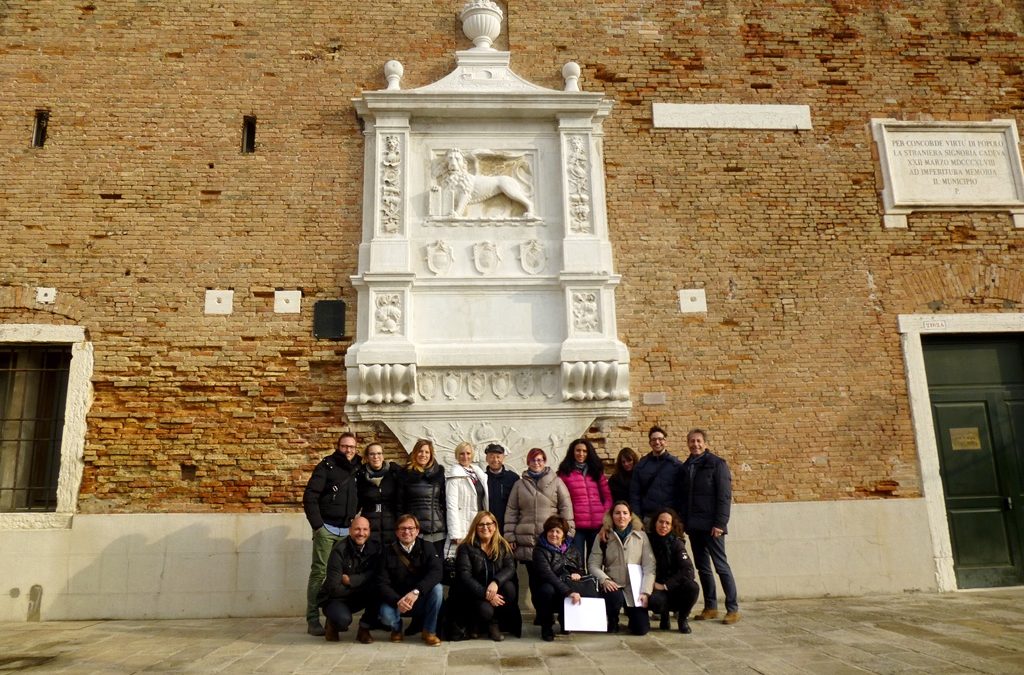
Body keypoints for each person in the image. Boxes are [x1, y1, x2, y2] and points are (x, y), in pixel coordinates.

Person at [678, 427, 740, 624]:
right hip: (694, 526)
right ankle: (710, 606)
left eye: (698, 441)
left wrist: (720, 523)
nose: (695, 444)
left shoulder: (717, 464)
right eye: (692, 441)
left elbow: (724, 496)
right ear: (687, 444)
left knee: (721, 566)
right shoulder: (686, 466)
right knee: (703, 568)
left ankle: (732, 608)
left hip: (713, 527)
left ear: (705, 443)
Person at [303, 432, 362, 636]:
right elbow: (310, 495)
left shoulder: (358, 469)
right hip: (327, 529)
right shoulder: (327, 466)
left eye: (352, 447)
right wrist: (318, 525)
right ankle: (312, 619)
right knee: (320, 573)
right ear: (338, 447)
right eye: (345, 446)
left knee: (339, 576)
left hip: (347, 531)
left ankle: (332, 617)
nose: (348, 450)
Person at [503, 448, 575, 591]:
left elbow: (566, 509)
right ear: (528, 462)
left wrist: (569, 534)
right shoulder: (519, 485)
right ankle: (540, 612)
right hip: (527, 541)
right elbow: (512, 511)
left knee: (553, 580)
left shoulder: (557, 482)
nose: (536, 463)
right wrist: (510, 537)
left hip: (551, 539)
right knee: (534, 582)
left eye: (540, 460)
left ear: (544, 461)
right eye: (533, 460)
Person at [451, 510, 521, 641]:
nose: (485, 527)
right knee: (485, 610)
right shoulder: (466, 548)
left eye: (489, 524)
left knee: (510, 589)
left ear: (494, 526)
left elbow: (510, 568)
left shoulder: (502, 545)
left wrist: (496, 582)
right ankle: (481, 623)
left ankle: (493, 623)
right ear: (475, 527)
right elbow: (465, 576)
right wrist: (486, 594)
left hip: (495, 588)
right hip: (474, 593)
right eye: (481, 524)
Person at [589, 501, 655, 635]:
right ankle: (613, 619)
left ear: (630, 517)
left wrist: (645, 591)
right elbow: (593, 564)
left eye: (625, 513)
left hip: (634, 587)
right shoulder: (603, 536)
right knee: (613, 597)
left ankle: (633, 617)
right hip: (613, 584)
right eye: (617, 513)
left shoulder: (641, 537)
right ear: (611, 516)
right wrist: (604, 579)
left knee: (641, 630)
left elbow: (649, 566)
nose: (621, 517)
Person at [377, 514, 444, 646]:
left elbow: (437, 572)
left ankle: (429, 631)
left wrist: (417, 591)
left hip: (419, 597)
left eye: (410, 528)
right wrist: (397, 601)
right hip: (396, 600)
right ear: (396, 532)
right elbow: (381, 582)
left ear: (417, 531)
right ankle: (396, 628)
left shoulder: (428, 547)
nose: (407, 532)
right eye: (402, 528)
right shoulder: (386, 551)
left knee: (438, 589)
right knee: (385, 615)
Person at [315, 516, 380, 644]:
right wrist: (363, 584)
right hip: (336, 598)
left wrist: (351, 580)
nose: (361, 533)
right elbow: (333, 587)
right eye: (357, 529)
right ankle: (332, 625)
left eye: (364, 529)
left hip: (357, 593)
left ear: (369, 531)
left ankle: (364, 630)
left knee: (380, 592)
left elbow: (376, 575)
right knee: (342, 620)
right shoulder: (339, 550)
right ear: (350, 530)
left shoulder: (375, 548)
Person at [531, 515, 586, 641]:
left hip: (568, 585)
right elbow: (547, 574)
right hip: (548, 586)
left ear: (564, 534)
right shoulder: (539, 550)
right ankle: (547, 627)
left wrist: (577, 573)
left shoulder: (573, 550)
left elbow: (581, 569)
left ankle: (566, 621)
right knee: (547, 590)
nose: (554, 534)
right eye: (551, 531)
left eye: (558, 531)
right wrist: (568, 591)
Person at [557, 438, 612, 559]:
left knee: (595, 561)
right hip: (576, 526)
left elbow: (607, 497)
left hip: (597, 525)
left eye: (584, 451)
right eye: (578, 450)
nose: (581, 454)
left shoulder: (596, 472)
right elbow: (561, 500)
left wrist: (604, 516)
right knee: (577, 561)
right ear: (572, 452)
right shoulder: (565, 473)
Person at [646, 508, 699, 633]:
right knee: (656, 602)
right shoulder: (647, 541)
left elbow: (688, 570)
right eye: (660, 522)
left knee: (693, 587)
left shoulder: (677, 543)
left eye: (667, 523)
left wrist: (666, 585)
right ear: (655, 523)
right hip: (654, 586)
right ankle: (664, 616)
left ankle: (682, 619)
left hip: (672, 586)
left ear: (671, 526)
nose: (663, 526)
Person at [398, 439, 446, 546]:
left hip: (437, 530)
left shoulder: (439, 474)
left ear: (431, 454)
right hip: (414, 531)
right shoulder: (405, 474)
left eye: (427, 452)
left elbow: (444, 502)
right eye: (420, 451)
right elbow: (399, 504)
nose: (423, 455)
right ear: (415, 453)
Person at [630, 425, 684, 521]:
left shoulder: (676, 465)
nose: (657, 442)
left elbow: (682, 493)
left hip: (670, 518)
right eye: (654, 439)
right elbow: (635, 494)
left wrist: (679, 516)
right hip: (648, 517)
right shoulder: (641, 466)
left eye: (660, 439)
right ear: (650, 443)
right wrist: (637, 518)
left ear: (665, 442)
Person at [445, 441, 489, 552]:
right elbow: (451, 506)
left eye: (468, 453)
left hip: (480, 523)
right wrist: (455, 533)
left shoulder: (478, 474)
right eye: (462, 454)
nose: (465, 456)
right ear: (457, 456)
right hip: (464, 525)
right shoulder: (454, 476)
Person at [355, 442, 400, 548]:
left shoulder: (394, 473)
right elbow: (356, 503)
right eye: (372, 454)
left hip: (391, 527)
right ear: (367, 457)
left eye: (379, 453)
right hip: (369, 527)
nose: (376, 457)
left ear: (383, 455)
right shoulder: (360, 476)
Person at [483, 443, 519, 531]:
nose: (495, 460)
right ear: (486, 458)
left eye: (498, 457)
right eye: (491, 456)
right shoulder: (482, 478)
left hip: (507, 527)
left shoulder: (513, 478)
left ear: (503, 458)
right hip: (487, 528)